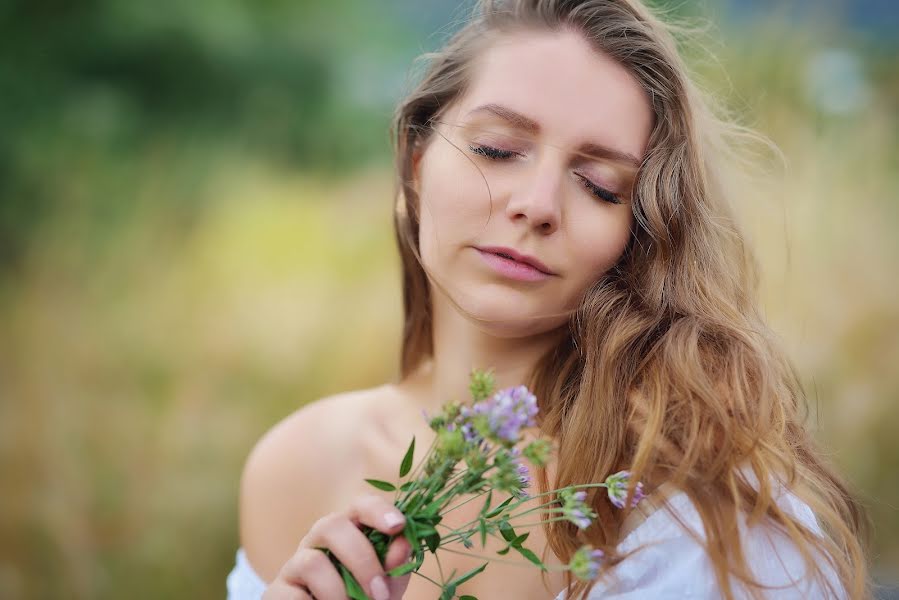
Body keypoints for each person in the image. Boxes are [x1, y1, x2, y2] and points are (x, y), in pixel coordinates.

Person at [226, 1, 872, 598]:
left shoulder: (699, 514)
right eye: (496, 149)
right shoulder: (298, 464)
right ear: (416, 161)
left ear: (639, 232)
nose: (535, 205)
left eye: (598, 186)